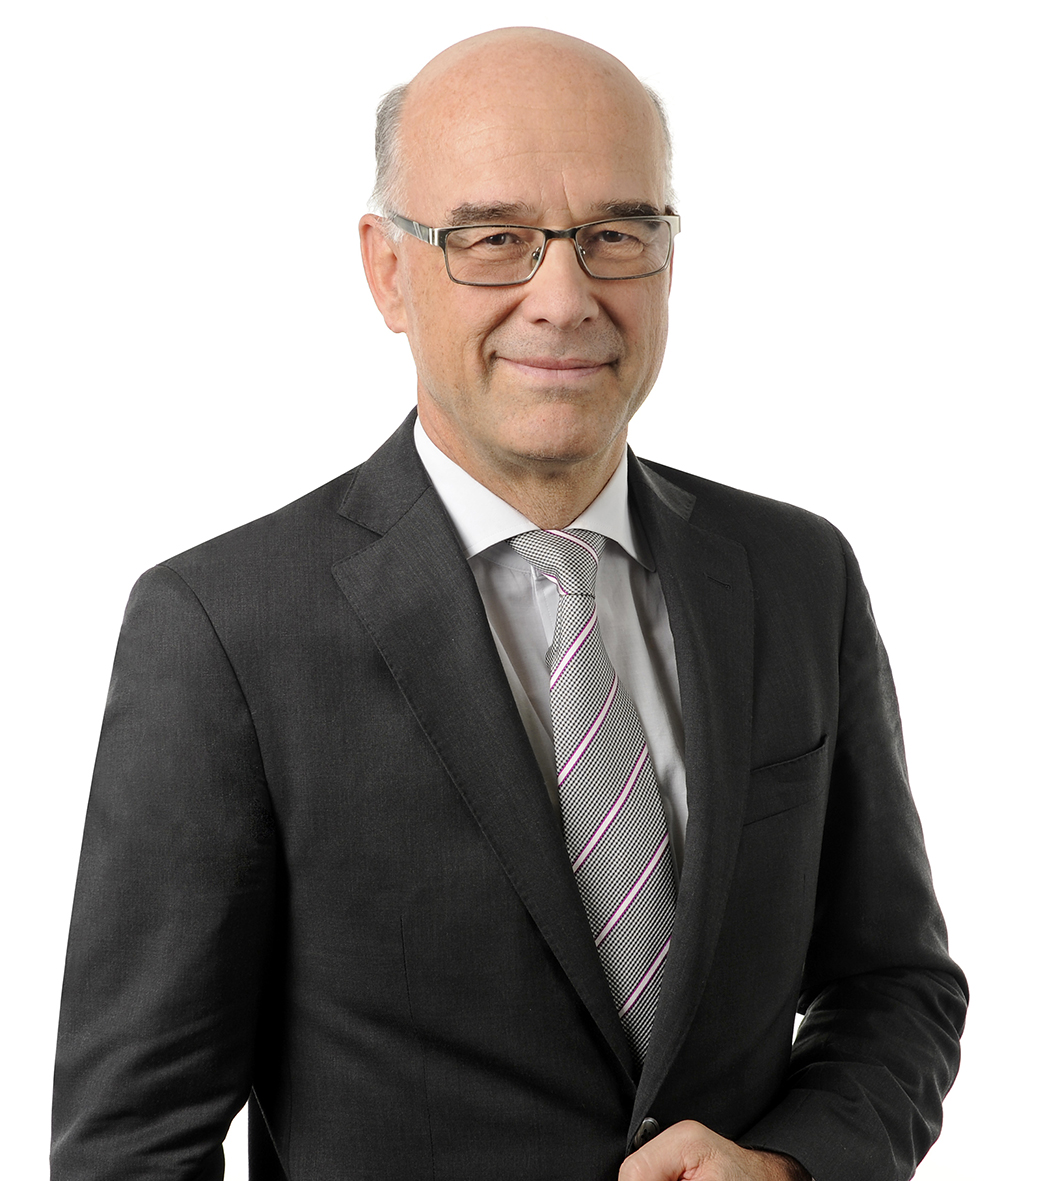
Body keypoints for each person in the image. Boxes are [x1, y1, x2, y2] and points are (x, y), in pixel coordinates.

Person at [51, 26, 967, 1181]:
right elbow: (133, 1142)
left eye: (615, 234)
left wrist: (792, 1163)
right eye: (493, 240)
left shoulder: (796, 574)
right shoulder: (225, 627)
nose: (564, 298)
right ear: (389, 270)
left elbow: (892, 983)